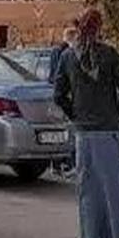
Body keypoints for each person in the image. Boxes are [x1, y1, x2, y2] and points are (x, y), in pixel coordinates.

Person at [53, 8, 119, 238]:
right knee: (116, 195)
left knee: (90, 195)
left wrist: (75, 113)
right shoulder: (109, 55)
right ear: (99, 28)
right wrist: (117, 114)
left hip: (84, 135)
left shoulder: (67, 57)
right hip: (109, 132)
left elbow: (58, 94)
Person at [49, 23, 80, 179]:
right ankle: (67, 163)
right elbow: (60, 76)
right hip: (65, 96)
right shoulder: (65, 53)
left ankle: (58, 163)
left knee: (61, 131)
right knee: (68, 132)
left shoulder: (57, 51)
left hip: (60, 95)